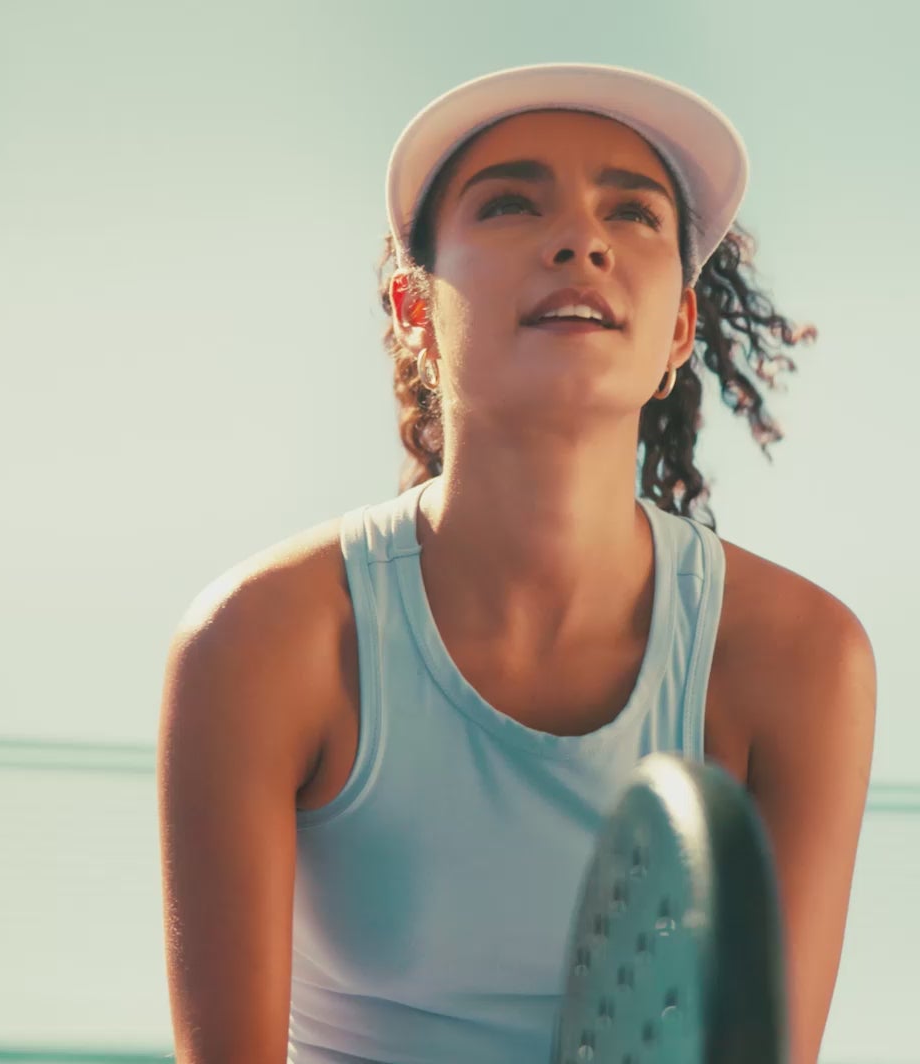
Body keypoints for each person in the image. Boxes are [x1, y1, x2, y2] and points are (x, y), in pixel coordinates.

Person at [158, 63, 877, 1064]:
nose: (581, 239)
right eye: (509, 204)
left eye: (632, 213)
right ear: (414, 310)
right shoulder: (258, 640)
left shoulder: (801, 655)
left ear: (678, 328)